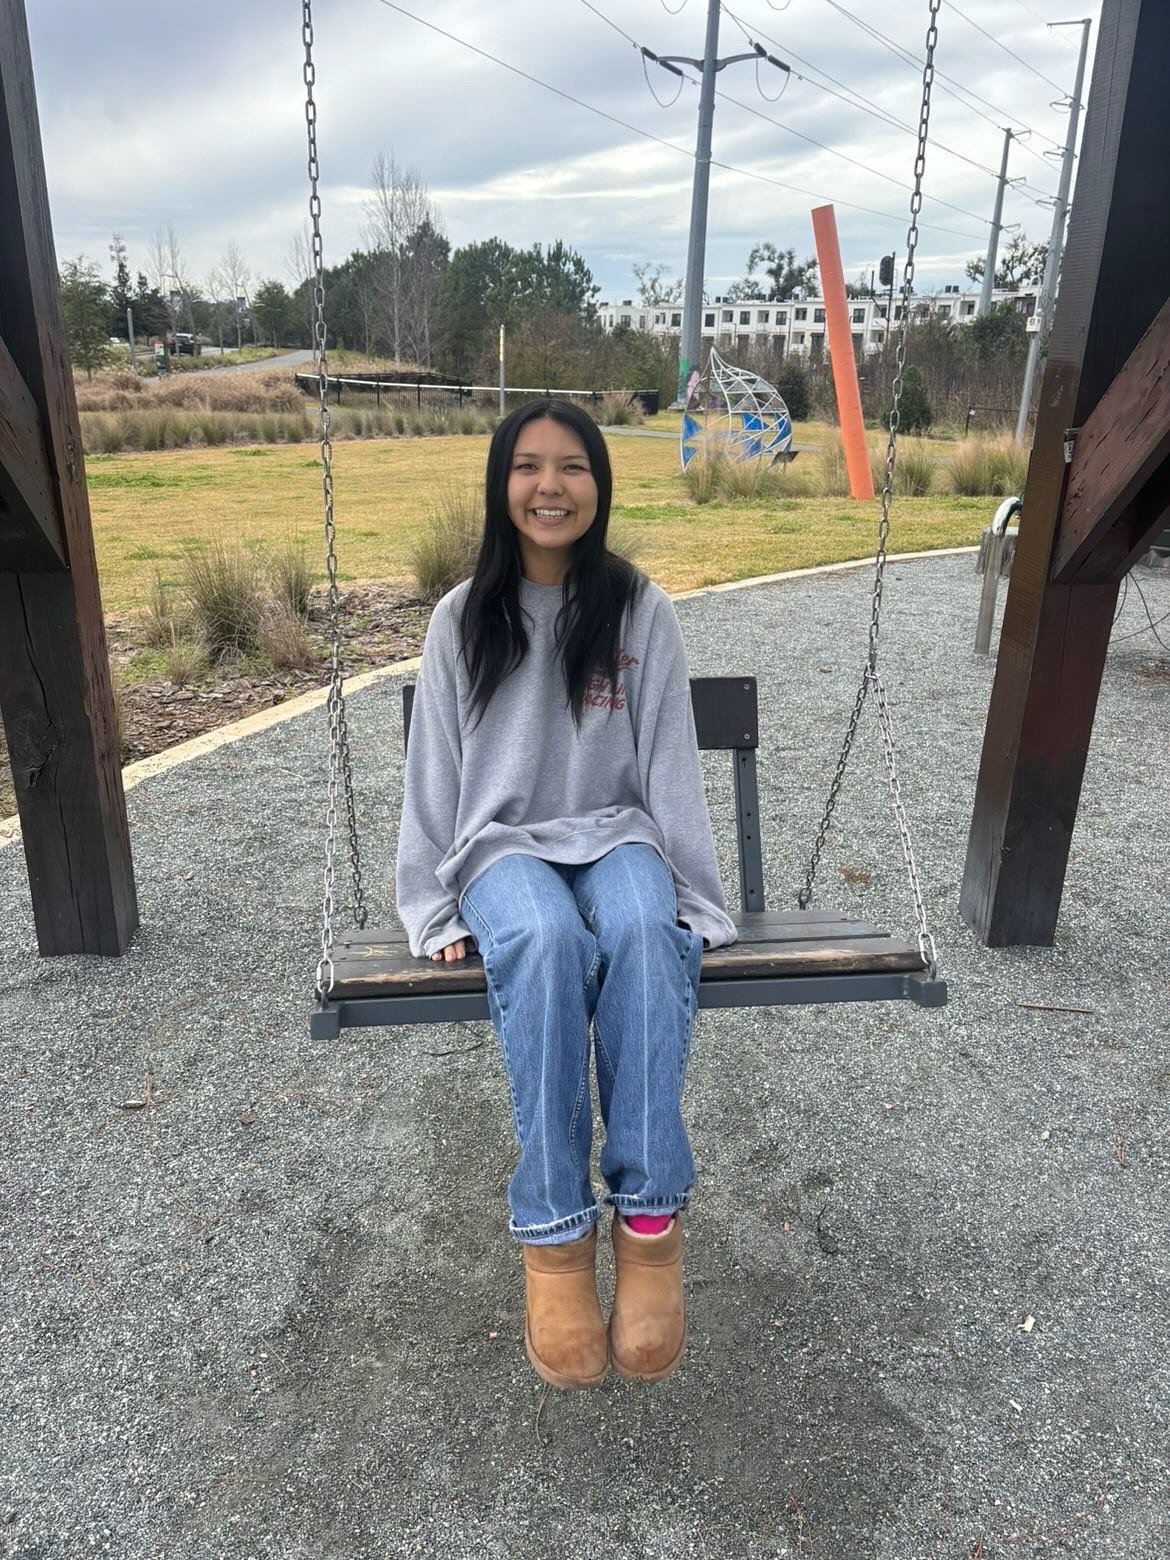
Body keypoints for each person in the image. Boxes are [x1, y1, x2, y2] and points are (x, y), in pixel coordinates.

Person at [396, 397, 736, 1390]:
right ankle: (552, 1236)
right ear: (500, 485)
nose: (551, 486)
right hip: (501, 847)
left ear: (600, 483)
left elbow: (667, 758)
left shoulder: (638, 608)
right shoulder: (464, 616)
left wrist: (695, 896)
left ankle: (649, 1223)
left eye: (573, 466)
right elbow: (433, 771)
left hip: (616, 831)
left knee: (643, 930)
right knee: (544, 941)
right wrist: (430, 905)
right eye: (528, 466)